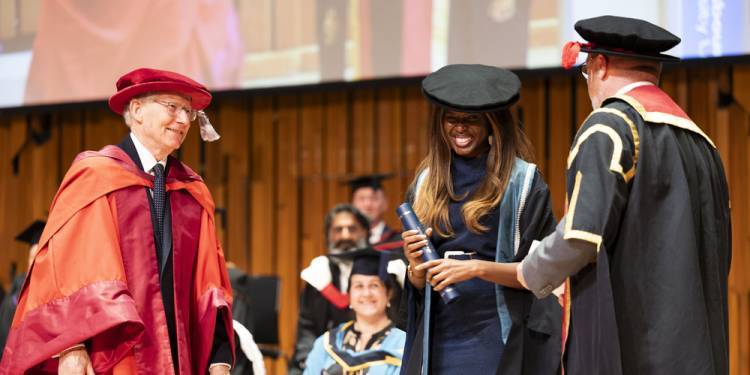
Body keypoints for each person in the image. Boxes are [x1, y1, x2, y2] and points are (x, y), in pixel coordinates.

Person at [516, 15, 731, 375]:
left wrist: (530, 270)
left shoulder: (610, 127)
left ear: (599, 64)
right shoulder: (703, 144)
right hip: (697, 350)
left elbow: (580, 238)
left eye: (585, 71)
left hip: (633, 351)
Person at [0, 68, 234, 374]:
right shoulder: (96, 177)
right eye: (171, 107)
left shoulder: (192, 192)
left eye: (188, 111)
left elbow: (209, 284)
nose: (182, 120)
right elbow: (62, 270)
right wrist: (71, 347)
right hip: (112, 356)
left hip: (177, 358)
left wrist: (219, 359)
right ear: (137, 110)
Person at [401, 64, 561, 374]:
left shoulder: (523, 183)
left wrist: (477, 269)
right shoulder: (424, 183)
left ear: (493, 123)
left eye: (471, 119)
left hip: (496, 337)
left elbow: (544, 274)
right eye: (451, 119)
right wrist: (415, 270)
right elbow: (417, 287)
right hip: (436, 338)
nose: (459, 128)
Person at [291, 204, 405, 375]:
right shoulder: (319, 275)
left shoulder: (401, 345)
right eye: (338, 229)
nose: (345, 235)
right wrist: (307, 360)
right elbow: (306, 327)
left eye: (352, 229)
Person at [304, 250, 406, 374]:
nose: (366, 293)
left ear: (389, 293)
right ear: (349, 294)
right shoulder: (326, 344)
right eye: (359, 286)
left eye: (374, 285)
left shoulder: (403, 343)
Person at [0, 220, 45, 359]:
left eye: (39, 257)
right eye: (32, 258)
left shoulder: (53, 290)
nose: (34, 262)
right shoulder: (16, 292)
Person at [347, 174, 403, 251]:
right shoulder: (346, 242)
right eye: (361, 199)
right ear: (352, 204)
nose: (367, 204)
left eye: (374, 198)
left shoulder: (399, 241)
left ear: (385, 203)